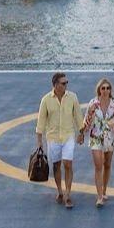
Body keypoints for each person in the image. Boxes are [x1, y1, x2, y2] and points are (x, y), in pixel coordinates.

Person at [35, 72, 84, 209]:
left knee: (68, 164)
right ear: (55, 85)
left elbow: (78, 117)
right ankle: (60, 191)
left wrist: (81, 132)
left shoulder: (72, 97)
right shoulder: (46, 100)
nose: (66, 85)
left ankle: (68, 194)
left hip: (68, 135)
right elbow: (41, 122)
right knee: (56, 165)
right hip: (53, 137)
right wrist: (39, 142)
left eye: (66, 82)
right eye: (63, 83)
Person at [83, 77, 114, 208]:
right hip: (96, 136)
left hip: (110, 137)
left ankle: (104, 190)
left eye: (108, 88)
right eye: (103, 88)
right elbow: (87, 119)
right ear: (99, 90)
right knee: (98, 165)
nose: (106, 90)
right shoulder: (93, 103)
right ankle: (99, 196)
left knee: (107, 164)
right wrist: (82, 133)